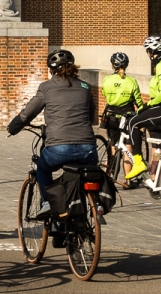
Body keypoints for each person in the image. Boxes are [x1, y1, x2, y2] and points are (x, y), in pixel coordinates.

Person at [6, 49, 103, 226]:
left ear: (51, 70)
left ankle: (47, 204)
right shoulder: (85, 87)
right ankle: (82, 213)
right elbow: (90, 117)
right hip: (88, 148)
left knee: (42, 168)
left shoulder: (46, 88)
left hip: (59, 147)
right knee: (81, 176)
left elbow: (27, 114)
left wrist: (13, 127)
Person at [99, 52, 143, 179]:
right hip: (127, 116)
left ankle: (109, 177)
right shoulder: (131, 81)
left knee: (113, 145)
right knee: (127, 148)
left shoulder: (107, 80)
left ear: (113, 65)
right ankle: (128, 179)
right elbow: (138, 101)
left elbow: (105, 95)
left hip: (111, 116)